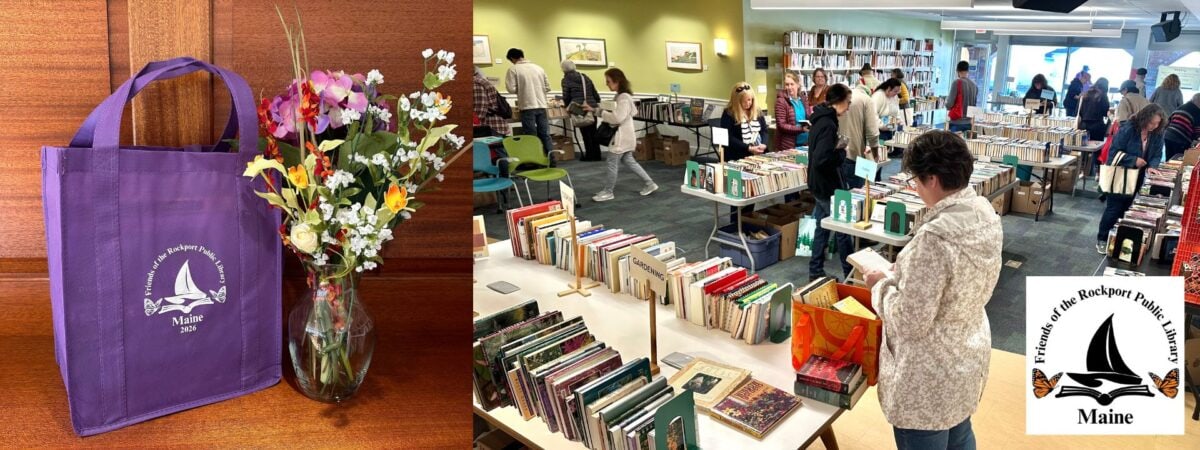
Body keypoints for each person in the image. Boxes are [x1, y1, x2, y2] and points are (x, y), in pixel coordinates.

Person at [863, 130, 1001, 450]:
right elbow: (958, 277)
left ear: (933, 180)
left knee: (925, 437)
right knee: (960, 434)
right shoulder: (984, 214)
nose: (915, 187)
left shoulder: (935, 239)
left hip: (929, 373)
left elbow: (910, 322)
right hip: (967, 351)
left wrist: (879, 285)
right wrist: (908, 272)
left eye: (916, 180)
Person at [1096, 104, 1167, 254]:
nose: (1154, 126)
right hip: (1121, 175)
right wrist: (1134, 160)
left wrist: (1152, 166)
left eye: (1157, 123)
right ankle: (1102, 239)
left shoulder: (1157, 133)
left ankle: (1116, 239)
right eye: (1152, 122)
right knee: (1114, 208)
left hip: (1138, 176)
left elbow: (1156, 154)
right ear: (1145, 118)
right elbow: (1113, 152)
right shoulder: (1128, 129)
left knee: (1127, 209)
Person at [583, 68, 656, 202]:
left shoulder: (623, 98)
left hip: (620, 138)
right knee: (629, 161)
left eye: (608, 81)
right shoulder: (622, 96)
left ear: (617, 81)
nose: (606, 84)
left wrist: (603, 114)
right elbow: (615, 114)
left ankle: (608, 191)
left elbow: (617, 118)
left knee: (612, 163)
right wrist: (594, 110)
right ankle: (650, 183)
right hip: (624, 136)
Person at [807, 84, 856, 281]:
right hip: (826, 186)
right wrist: (841, 153)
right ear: (839, 100)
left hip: (817, 184)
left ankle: (815, 270)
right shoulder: (828, 124)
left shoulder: (820, 118)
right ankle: (850, 275)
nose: (849, 106)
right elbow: (821, 159)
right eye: (848, 102)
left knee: (822, 226)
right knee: (843, 230)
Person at [721, 82, 770, 220]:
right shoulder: (729, 114)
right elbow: (728, 137)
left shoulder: (757, 111)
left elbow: (764, 131)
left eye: (750, 100)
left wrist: (764, 145)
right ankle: (735, 222)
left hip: (756, 157)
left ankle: (748, 219)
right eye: (744, 101)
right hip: (737, 157)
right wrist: (747, 148)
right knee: (737, 191)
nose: (748, 103)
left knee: (752, 191)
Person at [504, 48, 553, 155]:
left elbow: (511, 89)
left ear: (512, 58)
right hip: (542, 105)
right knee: (545, 134)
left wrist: (522, 89)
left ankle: (535, 161)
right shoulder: (539, 68)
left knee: (531, 136)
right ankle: (551, 159)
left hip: (527, 106)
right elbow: (548, 87)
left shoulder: (513, 69)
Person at [839, 87, 882, 186]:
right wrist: (875, 154)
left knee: (839, 196)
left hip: (837, 154)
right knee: (857, 194)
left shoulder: (838, 97)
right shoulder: (866, 100)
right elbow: (872, 132)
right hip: (855, 156)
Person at [560, 60, 602, 161]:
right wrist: (595, 102)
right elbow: (594, 93)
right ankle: (597, 154)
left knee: (585, 132)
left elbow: (566, 96)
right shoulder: (584, 77)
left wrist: (567, 106)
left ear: (563, 69)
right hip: (591, 106)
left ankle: (589, 155)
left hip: (578, 107)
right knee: (593, 131)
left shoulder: (566, 80)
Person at [774, 72, 810, 151]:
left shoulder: (803, 99)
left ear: (798, 84)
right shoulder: (781, 101)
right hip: (789, 145)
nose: (789, 87)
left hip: (806, 143)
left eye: (792, 84)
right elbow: (781, 125)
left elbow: (808, 117)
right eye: (787, 84)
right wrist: (801, 129)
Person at [473, 66, 511, 138]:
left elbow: (480, 110)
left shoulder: (476, 84)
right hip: (494, 126)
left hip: (491, 127)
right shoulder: (480, 81)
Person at [1165, 93, 1200, 161]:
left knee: (1169, 159)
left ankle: (1167, 170)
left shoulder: (1182, 107)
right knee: (1179, 160)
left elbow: (1168, 120)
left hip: (1168, 135)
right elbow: (1198, 131)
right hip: (1181, 138)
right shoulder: (1197, 111)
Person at [946, 61, 977, 133]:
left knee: (954, 143)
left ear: (957, 71)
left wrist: (946, 104)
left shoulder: (956, 82)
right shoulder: (974, 85)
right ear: (968, 71)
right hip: (969, 123)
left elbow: (950, 104)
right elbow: (974, 104)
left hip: (957, 122)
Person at [1078, 77, 1111, 141]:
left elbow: (1078, 111)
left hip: (1083, 125)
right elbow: (1105, 112)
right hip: (1097, 126)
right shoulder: (1103, 96)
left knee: (1083, 147)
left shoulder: (1086, 94)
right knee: (1095, 148)